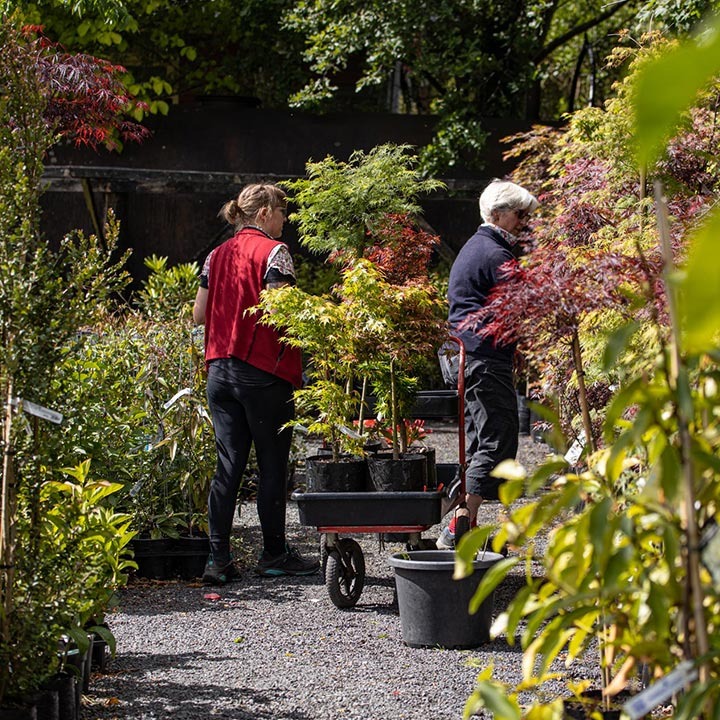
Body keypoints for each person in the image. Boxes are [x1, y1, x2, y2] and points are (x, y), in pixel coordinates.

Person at [193, 183, 319, 584]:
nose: (286, 219)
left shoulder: (215, 255)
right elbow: (280, 312)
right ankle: (273, 553)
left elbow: (199, 315)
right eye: (282, 211)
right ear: (264, 212)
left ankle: (218, 560)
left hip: (220, 372)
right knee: (271, 467)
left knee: (227, 466)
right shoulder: (274, 253)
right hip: (263, 374)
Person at [437, 179, 538, 549]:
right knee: (497, 439)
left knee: (481, 441)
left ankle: (465, 523)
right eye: (519, 214)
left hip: (471, 356)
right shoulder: (496, 255)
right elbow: (526, 304)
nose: (525, 222)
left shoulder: (478, 247)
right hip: (483, 357)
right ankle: (454, 521)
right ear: (497, 214)